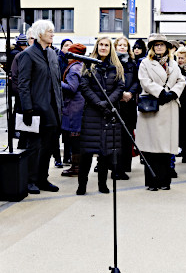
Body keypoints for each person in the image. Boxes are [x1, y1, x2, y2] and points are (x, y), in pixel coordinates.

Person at [16, 20, 64, 194]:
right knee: (34, 147)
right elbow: (23, 84)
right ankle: (31, 180)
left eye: (52, 31)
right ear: (40, 34)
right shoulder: (27, 55)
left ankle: (43, 179)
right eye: (49, 31)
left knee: (49, 146)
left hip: (53, 109)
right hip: (36, 109)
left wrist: (61, 105)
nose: (52, 34)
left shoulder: (52, 54)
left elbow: (57, 83)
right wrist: (27, 108)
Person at [136, 34, 186, 191]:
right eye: (156, 45)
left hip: (169, 107)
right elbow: (144, 81)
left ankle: (165, 181)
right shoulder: (146, 63)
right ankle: (152, 182)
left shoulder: (173, 63)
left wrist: (173, 93)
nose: (159, 47)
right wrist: (161, 93)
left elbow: (181, 80)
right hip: (153, 106)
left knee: (165, 148)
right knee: (152, 148)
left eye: (162, 45)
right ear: (152, 47)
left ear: (166, 47)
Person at [76, 37, 125, 195]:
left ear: (110, 48)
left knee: (105, 152)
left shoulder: (116, 67)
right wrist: (98, 103)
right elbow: (84, 86)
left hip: (109, 112)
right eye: (101, 45)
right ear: (96, 47)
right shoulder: (88, 65)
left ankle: (102, 184)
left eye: (106, 45)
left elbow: (120, 86)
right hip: (92, 112)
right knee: (86, 152)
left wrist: (108, 103)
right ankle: (82, 184)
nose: (103, 47)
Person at [59, 42, 87, 178]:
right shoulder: (81, 66)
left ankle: (76, 167)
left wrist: (57, 82)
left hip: (74, 108)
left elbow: (71, 88)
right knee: (76, 138)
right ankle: (77, 166)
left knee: (75, 138)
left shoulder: (74, 68)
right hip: (78, 106)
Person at [113, 36, 139, 180]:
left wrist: (130, 93)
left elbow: (136, 81)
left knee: (127, 136)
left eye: (125, 45)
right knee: (116, 138)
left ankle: (125, 166)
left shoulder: (132, 63)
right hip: (116, 104)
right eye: (120, 45)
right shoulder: (111, 62)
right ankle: (116, 169)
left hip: (129, 104)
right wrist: (120, 93)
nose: (122, 47)